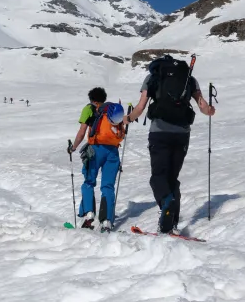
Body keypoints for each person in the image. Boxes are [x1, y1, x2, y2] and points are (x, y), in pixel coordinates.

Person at [128, 56, 216, 233]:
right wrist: (211, 110)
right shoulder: (189, 78)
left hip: (159, 133)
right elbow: (204, 107)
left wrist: (127, 119)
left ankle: (166, 203)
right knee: (172, 178)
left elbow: (140, 108)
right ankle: (172, 223)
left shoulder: (153, 78)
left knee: (158, 177)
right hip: (182, 134)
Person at [70, 87, 126, 230]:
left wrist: (73, 147)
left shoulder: (90, 109)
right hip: (113, 151)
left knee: (89, 181)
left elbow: (82, 131)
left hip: (95, 150)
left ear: (92, 99)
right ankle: (107, 221)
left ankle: (89, 214)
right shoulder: (111, 111)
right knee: (108, 186)